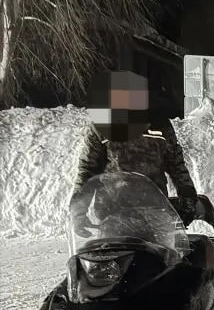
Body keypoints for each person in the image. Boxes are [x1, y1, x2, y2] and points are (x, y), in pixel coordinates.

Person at [71, 81, 199, 226]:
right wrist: (78, 211)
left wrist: (188, 198)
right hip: (111, 212)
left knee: (162, 242)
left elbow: (176, 165)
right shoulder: (101, 127)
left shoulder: (160, 126)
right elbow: (87, 169)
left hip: (154, 210)